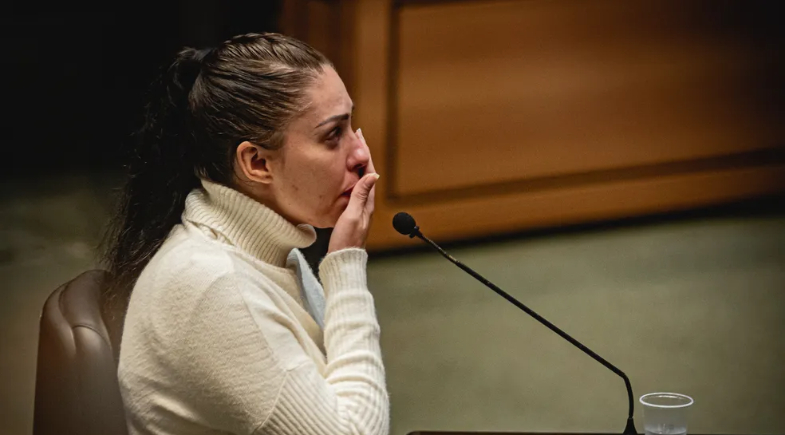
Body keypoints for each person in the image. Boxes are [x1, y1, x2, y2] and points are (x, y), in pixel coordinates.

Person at [102, 33, 389, 435]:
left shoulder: (270, 251)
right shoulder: (212, 287)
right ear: (256, 162)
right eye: (333, 135)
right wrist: (345, 263)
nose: (360, 154)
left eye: (350, 125)